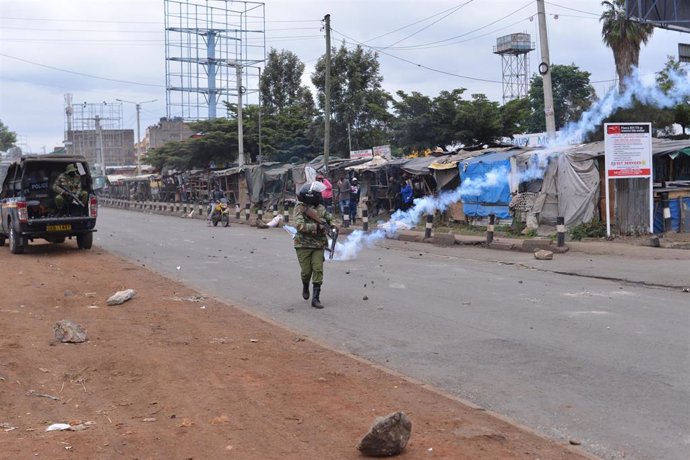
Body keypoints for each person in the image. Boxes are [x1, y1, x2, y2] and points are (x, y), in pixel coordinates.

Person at [293, 181, 333, 309]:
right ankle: (305, 285)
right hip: (303, 244)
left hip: (318, 244)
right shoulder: (300, 208)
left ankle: (316, 298)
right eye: (317, 194)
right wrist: (317, 227)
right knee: (306, 272)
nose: (320, 196)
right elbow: (299, 226)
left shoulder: (321, 208)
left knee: (318, 269)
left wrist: (332, 224)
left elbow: (329, 217)